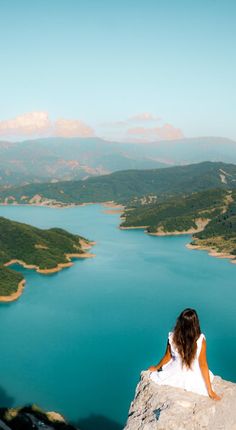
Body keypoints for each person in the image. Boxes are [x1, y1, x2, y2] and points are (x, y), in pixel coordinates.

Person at [149, 308, 221, 400]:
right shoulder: (200, 340)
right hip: (193, 377)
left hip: (174, 373)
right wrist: (210, 391)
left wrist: (156, 368)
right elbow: (203, 364)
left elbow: (167, 356)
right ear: (195, 324)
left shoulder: (172, 336)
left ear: (180, 322)